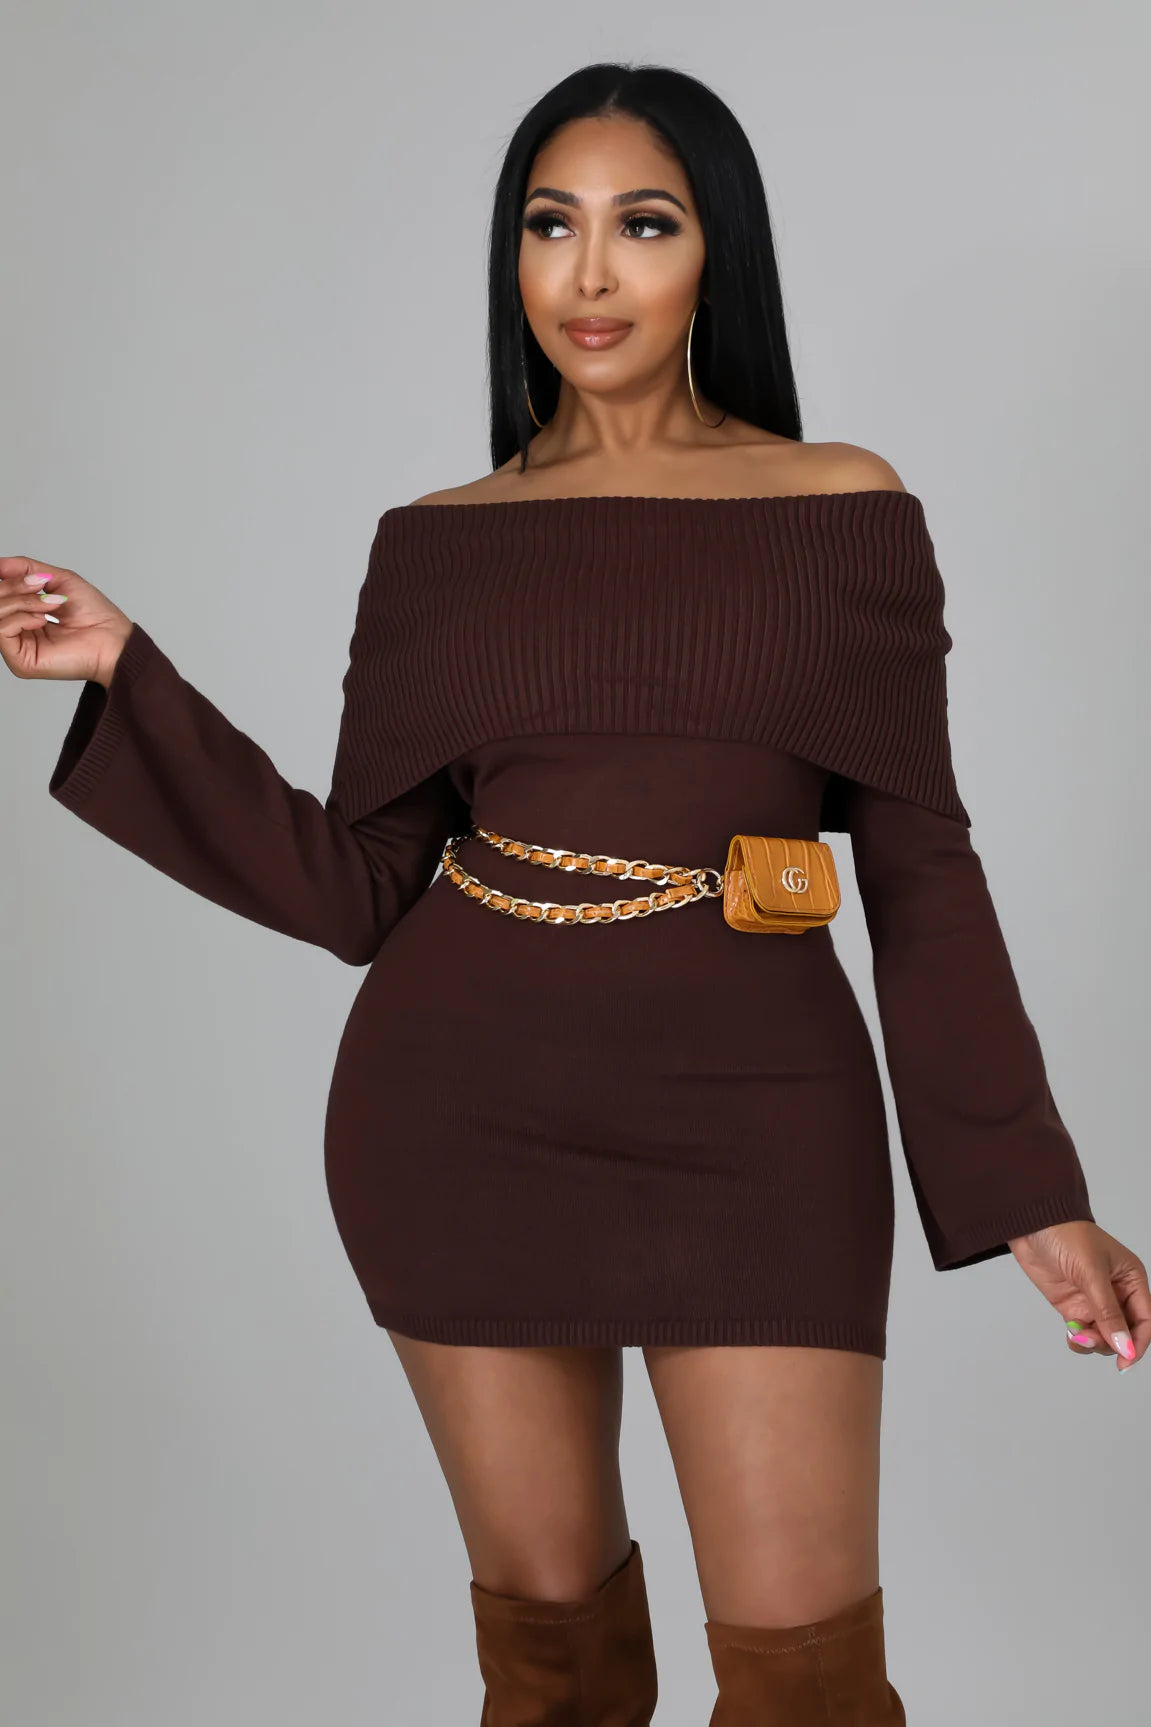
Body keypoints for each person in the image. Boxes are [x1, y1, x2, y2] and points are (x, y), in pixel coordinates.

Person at [4, 59, 1147, 1727]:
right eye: (552, 225)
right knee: (552, 1674)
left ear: (717, 255)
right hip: (458, 1114)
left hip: (763, 1124)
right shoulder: (437, 543)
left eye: (645, 225)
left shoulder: (842, 508)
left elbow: (922, 869)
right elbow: (361, 885)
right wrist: (130, 677)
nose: (590, 272)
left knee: (810, 1685)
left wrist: (1029, 1190)